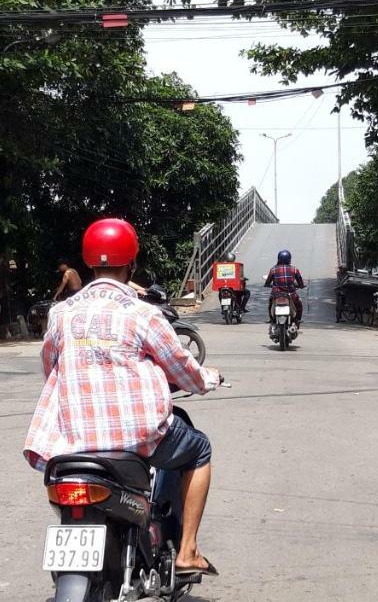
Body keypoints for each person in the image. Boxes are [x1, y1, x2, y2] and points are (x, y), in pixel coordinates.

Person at [24, 218, 222, 577]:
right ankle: (188, 550)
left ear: (88, 263)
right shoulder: (142, 314)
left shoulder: (61, 314)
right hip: (135, 437)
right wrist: (208, 378)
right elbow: (183, 370)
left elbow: (52, 367)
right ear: (131, 264)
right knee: (199, 449)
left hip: (72, 442)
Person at [264, 249, 305, 324]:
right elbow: (300, 281)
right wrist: (301, 286)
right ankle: (298, 319)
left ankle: (271, 319)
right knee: (298, 304)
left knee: (270, 303)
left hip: (276, 294)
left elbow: (267, 282)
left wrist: (268, 285)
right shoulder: (294, 269)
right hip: (291, 294)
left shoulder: (273, 269)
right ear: (289, 259)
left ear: (279, 259)